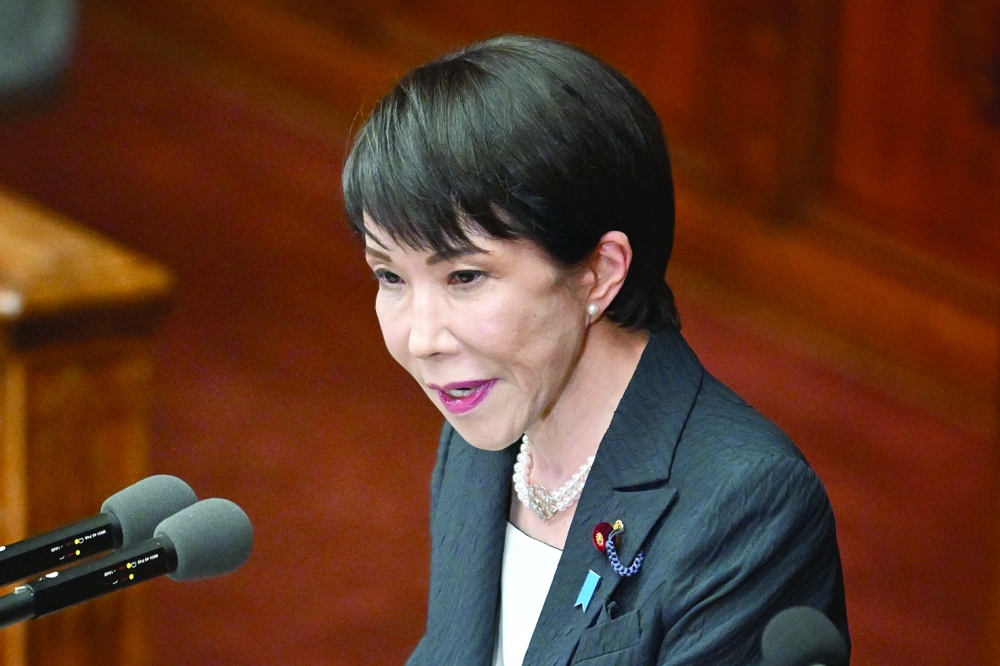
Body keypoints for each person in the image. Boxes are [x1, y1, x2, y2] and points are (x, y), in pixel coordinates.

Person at [342, 34, 849, 666]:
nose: (421, 340)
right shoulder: (483, 440)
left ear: (600, 272)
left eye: (465, 278)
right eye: (390, 277)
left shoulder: (745, 503)